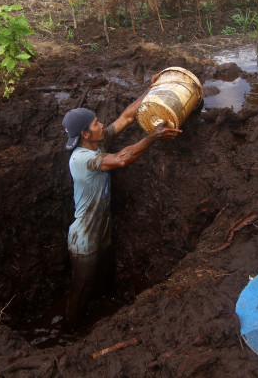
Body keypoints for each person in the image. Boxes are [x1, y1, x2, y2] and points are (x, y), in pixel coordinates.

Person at [61, 76, 181, 328]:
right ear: (84, 133)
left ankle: (97, 322)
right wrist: (152, 138)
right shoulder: (82, 158)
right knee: (80, 291)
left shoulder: (96, 141)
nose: (101, 124)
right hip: (83, 241)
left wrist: (152, 90)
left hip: (100, 235)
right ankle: (70, 330)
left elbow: (126, 118)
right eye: (96, 123)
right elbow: (121, 159)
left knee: (101, 284)